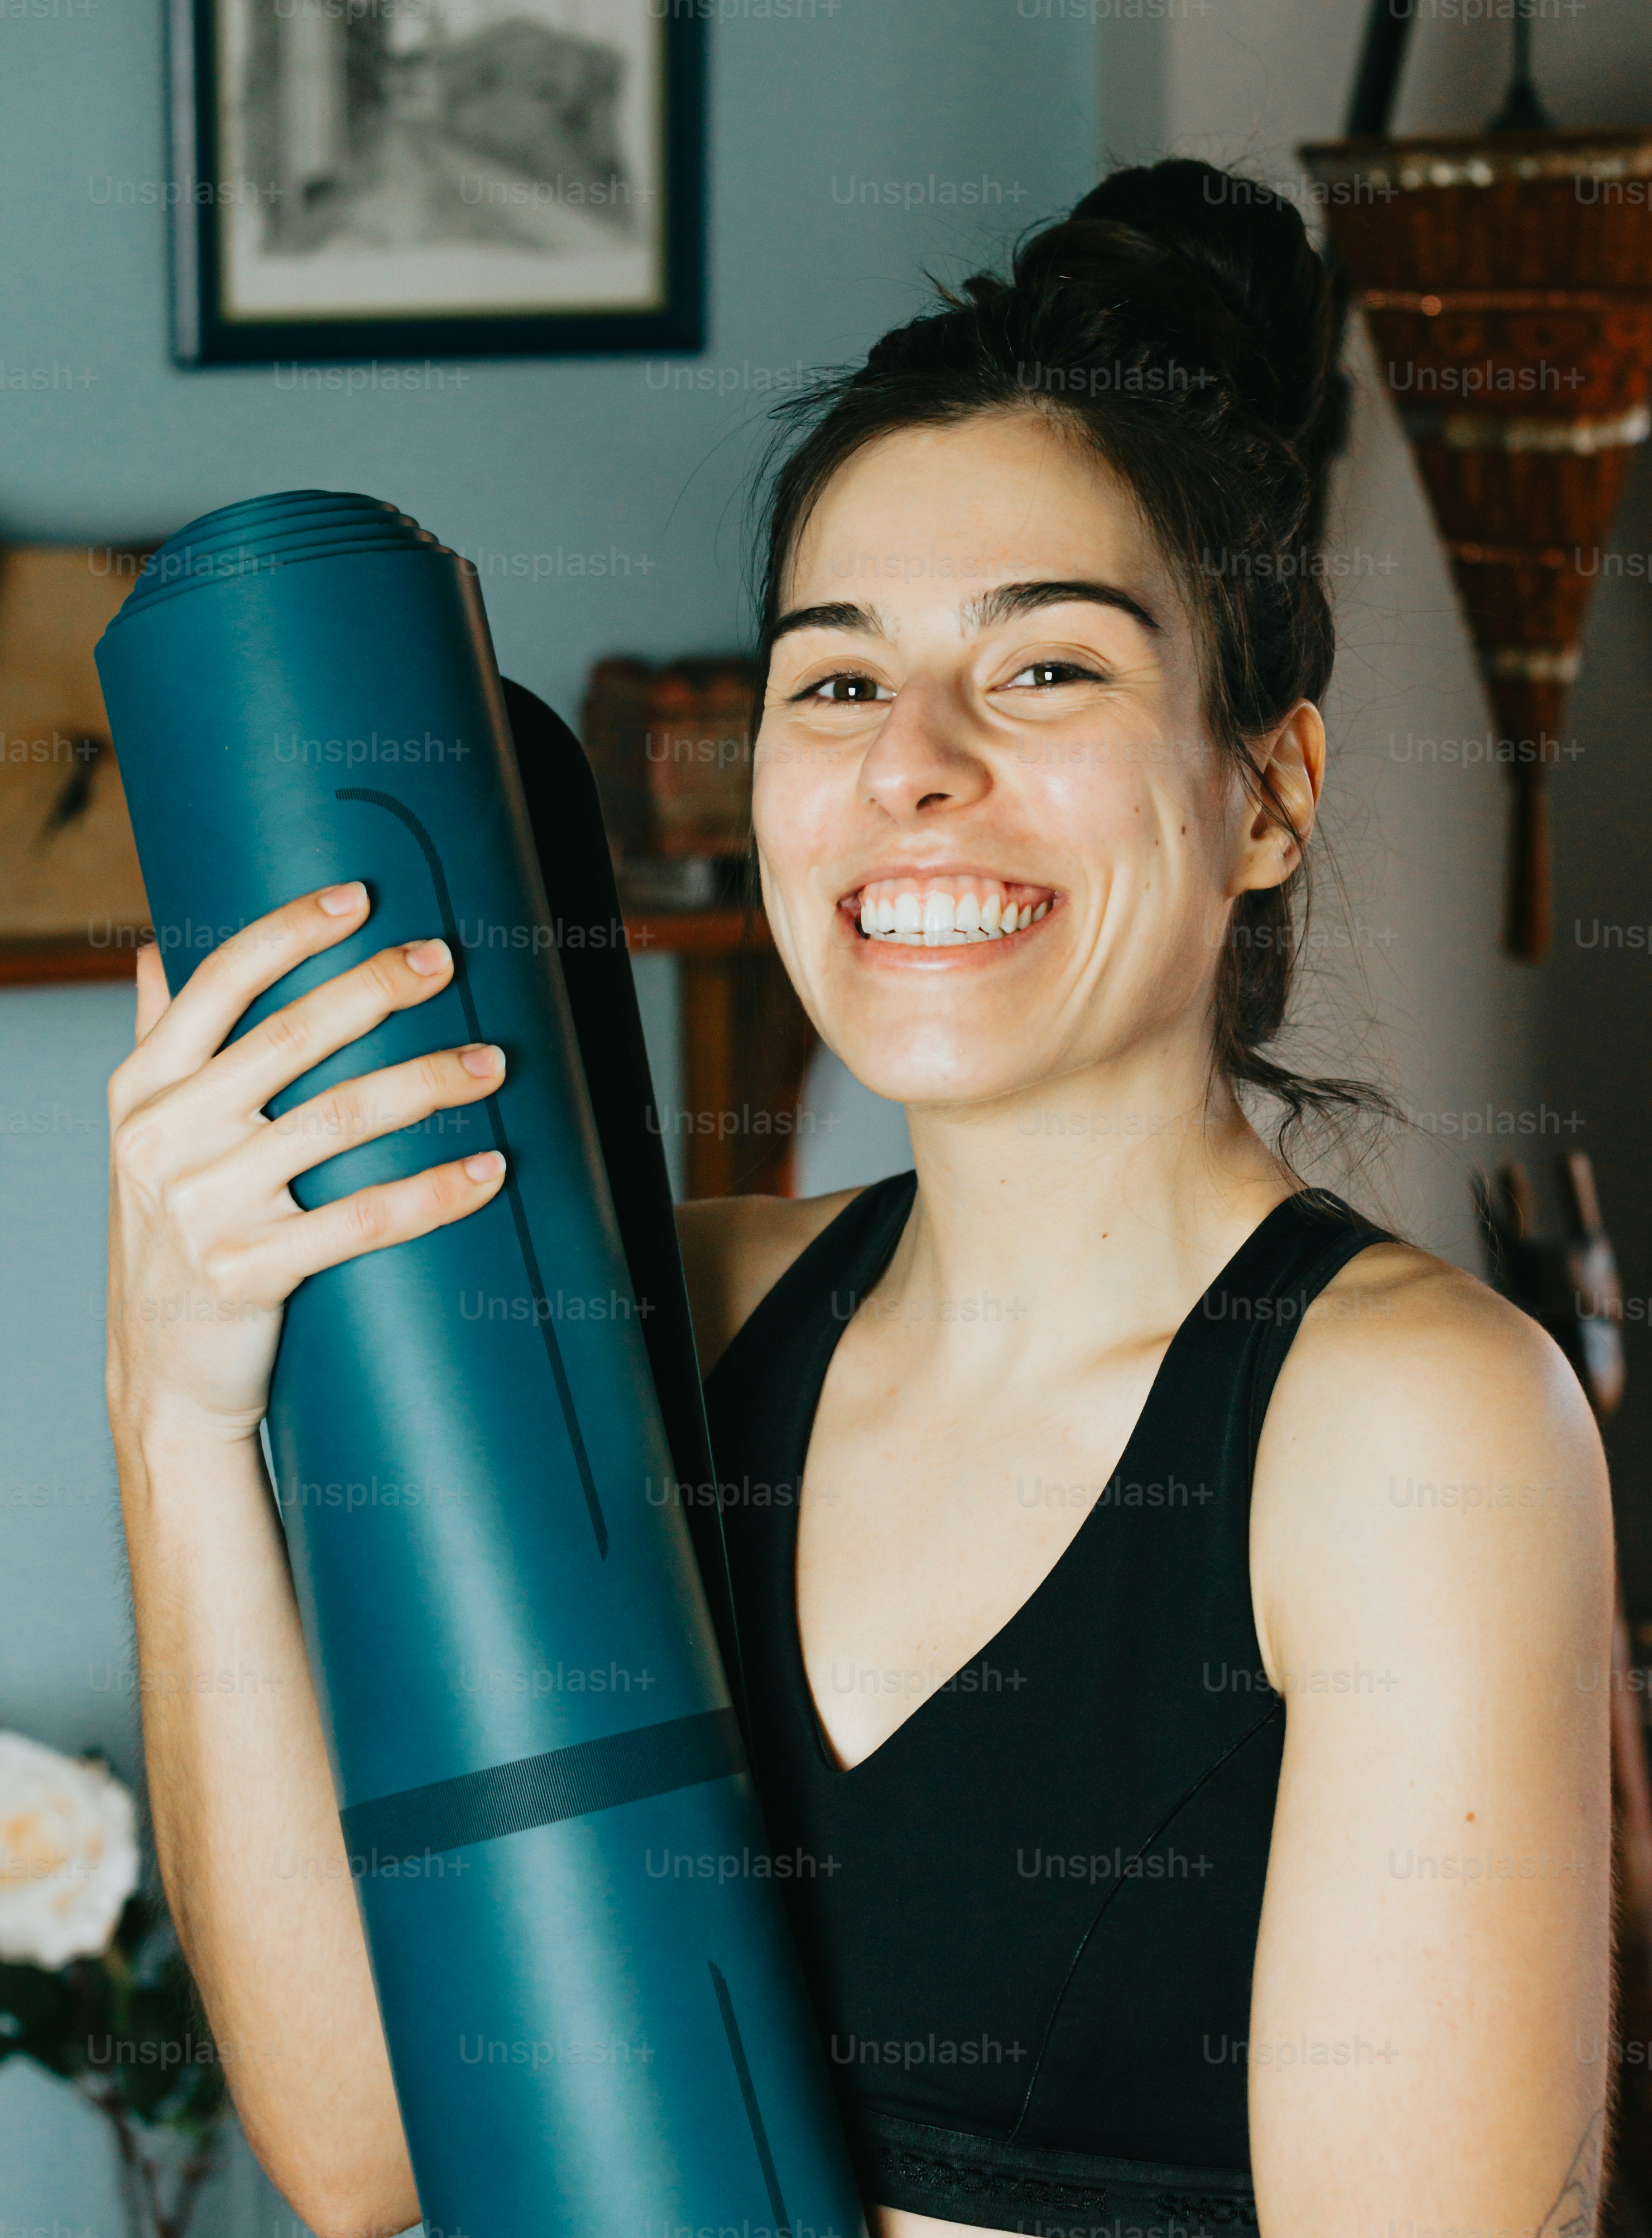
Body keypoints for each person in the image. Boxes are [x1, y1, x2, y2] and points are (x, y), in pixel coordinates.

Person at [105, 162, 1613, 2238]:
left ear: (1268, 794)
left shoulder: (1415, 1428)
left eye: (1047, 671)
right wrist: (178, 1413)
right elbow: (372, 2149)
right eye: (836, 679)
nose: (911, 763)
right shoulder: (672, 1330)